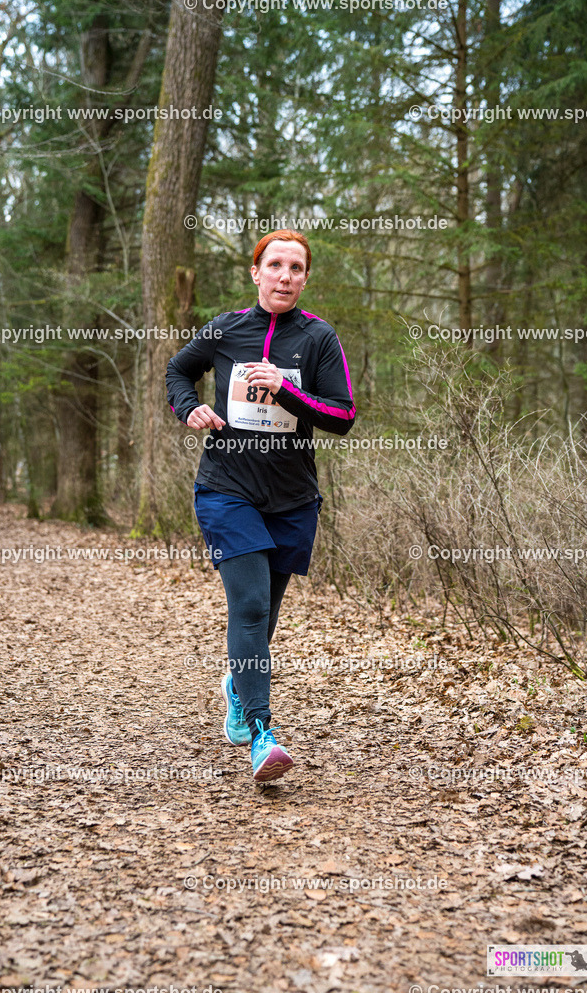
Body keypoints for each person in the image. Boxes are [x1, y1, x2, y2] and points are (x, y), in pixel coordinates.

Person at [166, 229, 356, 782]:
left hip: (293, 499)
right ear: (256, 272)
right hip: (227, 489)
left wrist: (285, 390)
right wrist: (189, 409)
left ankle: (236, 685)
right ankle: (262, 733)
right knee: (248, 609)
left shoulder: (319, 338)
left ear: (305, 278)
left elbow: (342, 417)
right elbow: (179, 370)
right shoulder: (226, 329)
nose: (285, 276)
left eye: (296, 268)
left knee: (264, 620)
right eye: (275, 265)